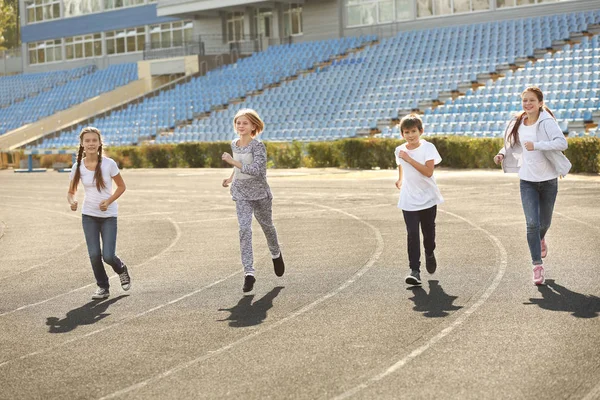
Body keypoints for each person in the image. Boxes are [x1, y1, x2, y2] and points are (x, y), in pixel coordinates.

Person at [494, 86, 571, 285]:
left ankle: (541, 239)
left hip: (548, 181)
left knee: (544, 224)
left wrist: (537, 145)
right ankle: (537, 266)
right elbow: (512, 143)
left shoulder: (547, 122)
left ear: (540, 103)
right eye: (524, 100)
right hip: (527, 180)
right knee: (531, 224)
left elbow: (562, 143)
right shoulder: (518, 123)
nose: (527, 104)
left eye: (531, 101)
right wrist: (502, 153)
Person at [222, 109, 285, 293]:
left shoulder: (258, 146)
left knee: (267, 226)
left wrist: (234, 163)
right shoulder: (234, 143)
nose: (241, 126)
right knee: (244, 229)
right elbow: (240, 167)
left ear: (254, 127)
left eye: (245, 123)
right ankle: (249, 273)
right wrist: (230, 178)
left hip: (259, 193)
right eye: (238, 123)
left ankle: (275, 253)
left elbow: (257, 170)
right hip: (241, 193)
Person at [67, 127, 131, 299]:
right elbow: (71, 192)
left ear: (99, 142)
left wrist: (109, 201)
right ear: (82, 144)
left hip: (109, 216)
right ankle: (103, 287)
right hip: (89, 216)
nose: (91, 144)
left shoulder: (109, 164)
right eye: (87, 141)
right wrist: (72, 201)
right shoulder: (77, 167)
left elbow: (122, 186)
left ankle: (121, 269)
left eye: (94, 140)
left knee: (108, 256)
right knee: (94, 254)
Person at [395, 114, 444, 286]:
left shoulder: (428, 148)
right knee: (412, 234)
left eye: (413, 131)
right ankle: (414, 271)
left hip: (428, 197)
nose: (410, 135)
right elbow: (401, 165)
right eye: (406, 132)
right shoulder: (399, 150)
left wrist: (410, 158)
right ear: (402, 134)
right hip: (409, 198)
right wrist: (400, 179)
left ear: (421, 131)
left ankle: (429, 253)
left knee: (428, 233)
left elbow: (428, 172)